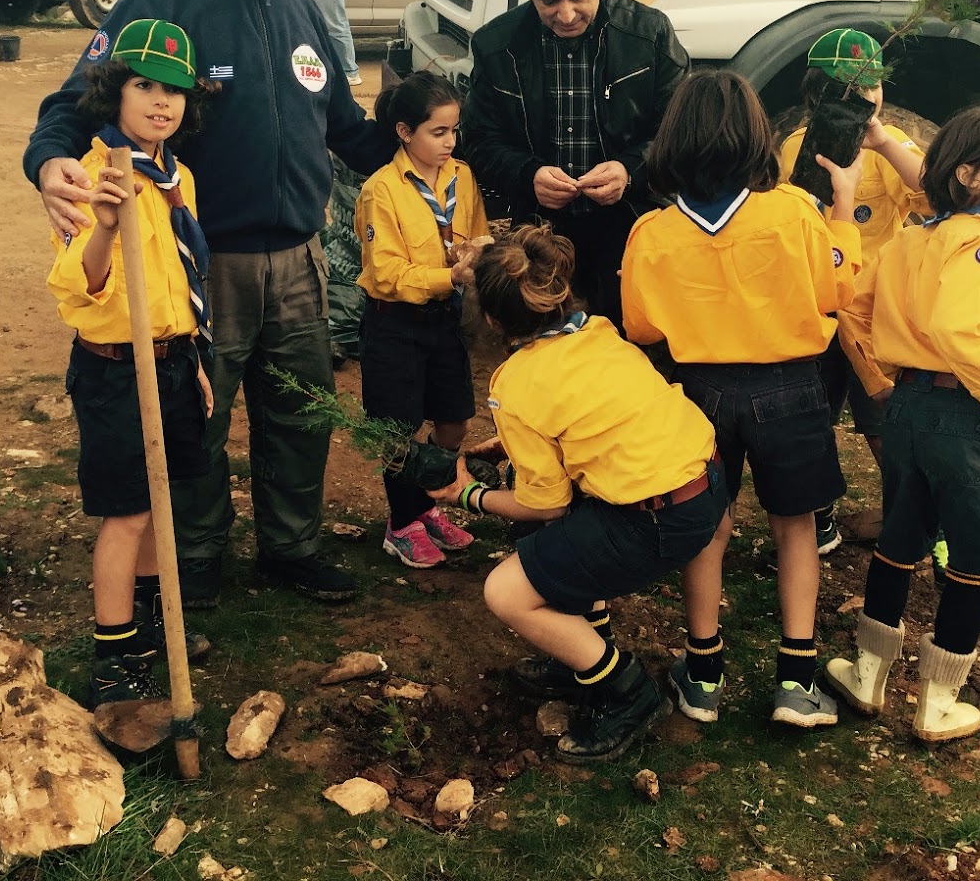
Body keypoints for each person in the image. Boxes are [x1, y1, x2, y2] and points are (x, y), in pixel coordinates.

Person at [26, 0, 392, 610]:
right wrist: (48, 160)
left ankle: (291, 546)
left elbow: (341, 124)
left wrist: (423, 138)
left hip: (298, 258)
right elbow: (76, 101)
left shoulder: (301, 3)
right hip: (201, 264)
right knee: (194, 418)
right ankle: (192, 559)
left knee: (298, 412)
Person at [426, 224, 724, 762]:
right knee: (561, 533)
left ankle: (628, 691)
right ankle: (577, 657)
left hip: (652, 520)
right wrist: (517, 443)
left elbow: (547, 503)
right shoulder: (597, 330)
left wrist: (468, 495)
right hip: (705, 489)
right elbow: (587, 417)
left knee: (507, 591)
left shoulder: (515, 383)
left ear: (493, 320)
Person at [620, 70, 862, 729]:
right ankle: (795, 679)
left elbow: (641, 329)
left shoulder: (652, 232)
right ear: (760, 136)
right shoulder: (794, 213)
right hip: (793, 388)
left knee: (708, 526)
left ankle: (702, 676)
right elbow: (834, 295)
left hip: (699, 393)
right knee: (797, 527)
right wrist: (844, 214)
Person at [825, 104, 980, 743]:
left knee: (901, 537)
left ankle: (867, 674)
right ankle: (939, 702)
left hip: (909, 410)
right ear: (970, 175)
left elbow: (854, 312)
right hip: (966, 412)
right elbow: (957, 327)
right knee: (974, 554)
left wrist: (882, 383)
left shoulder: (908, 236)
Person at [44, 19, 214, 705]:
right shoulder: (91, 178)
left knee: (159, 503)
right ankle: (114, 652)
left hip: (172, 359)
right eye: (144, 85)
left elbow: (183, 280)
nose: (160, 102)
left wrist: (195, 358)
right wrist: (106, 227)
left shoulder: (179, 179)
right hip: (116, 368)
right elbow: (77, 284)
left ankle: (150, 620)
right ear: (114, 93)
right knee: (126, 512)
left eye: (174, 90)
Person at [461, 0, 688, 325]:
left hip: (630, 218)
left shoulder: (649, 34)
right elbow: (478, 138)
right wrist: (528, 174)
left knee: (629, 327)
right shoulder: (497, 45)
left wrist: (630, 170)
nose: (566, 15)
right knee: (540, 335)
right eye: (549, 2)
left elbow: (682, 129)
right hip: (540, 228)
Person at [778, 29, 929, 555]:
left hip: (874, 312)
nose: (866, 101)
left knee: (884, 415)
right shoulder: (795, 147)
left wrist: (883, 141)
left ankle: (908, 511)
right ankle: (819, 515)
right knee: (811, 414)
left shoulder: (889, 146)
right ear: (817, 92)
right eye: (850, 91)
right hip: (817, 306)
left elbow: (937, 192)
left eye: (873, 89)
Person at [355, 70, 489, 569]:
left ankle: (428, 505)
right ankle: (402, 522)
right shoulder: (381, 191)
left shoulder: (462, 176)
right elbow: (386, 273)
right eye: (438, 132)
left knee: (454, 419)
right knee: (399, 428)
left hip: (444, 322)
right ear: (405, 132)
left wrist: (478, 254)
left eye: (454, 131)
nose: (449, 142)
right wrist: (449, 275)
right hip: (395, 324)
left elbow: (475, 232)